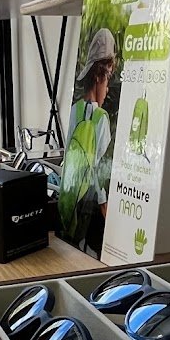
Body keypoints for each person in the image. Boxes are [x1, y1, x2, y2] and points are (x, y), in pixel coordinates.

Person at [59, 27, 116, 257]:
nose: (107, 89)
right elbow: (98, 168)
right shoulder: (101, 118)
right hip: (91, 203)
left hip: (72, 195)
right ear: (100, 77)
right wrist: (104, 206)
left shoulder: (74, 109)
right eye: (108, 80)